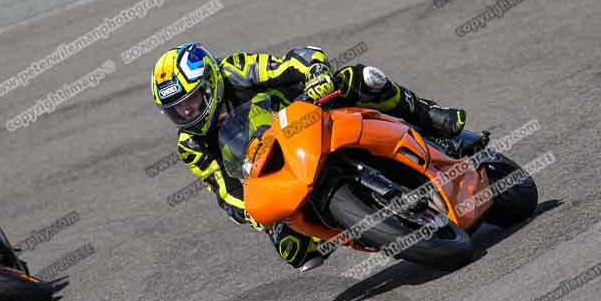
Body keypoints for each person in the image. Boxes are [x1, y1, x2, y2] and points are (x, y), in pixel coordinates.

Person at [150, 43, 467, 271]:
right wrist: (250, 213)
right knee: (294, 252)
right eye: (177, 110)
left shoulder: (234, 69)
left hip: (309, 115)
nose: (188, 113)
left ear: (210, 83)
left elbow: (292, 62)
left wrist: (315, 73)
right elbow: (223, 190)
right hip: (275, 166)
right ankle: (368, 224)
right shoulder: (190, 143)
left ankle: (428, 115)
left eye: (192, 101)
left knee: (362, 79)